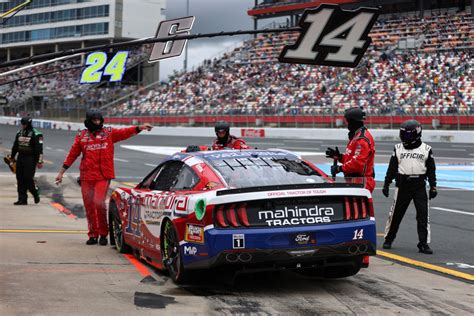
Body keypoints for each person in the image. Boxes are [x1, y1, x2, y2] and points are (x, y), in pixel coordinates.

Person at [55, 109, 152, 246]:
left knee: (98, 202)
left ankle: (103, 233)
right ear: (89, 121)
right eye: (94, 120)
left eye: (99, 120)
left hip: (103, 175)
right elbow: (73, 154)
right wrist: (61, 172)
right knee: (89, 206)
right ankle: (92, 234)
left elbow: (124, 133)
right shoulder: (82, 136)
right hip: (86, 176)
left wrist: (138, 128)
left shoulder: (109, 133)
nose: (97, 122)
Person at [382, 120, 437, 254]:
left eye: (407, 135)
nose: (404, 138)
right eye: (403, 134)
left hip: (419, 185)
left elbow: (431, 169)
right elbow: (392, 168)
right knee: (395, 214)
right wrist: (386, 183)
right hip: (403, 185)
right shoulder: (398, 148)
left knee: (423, 216)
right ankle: (388, 239)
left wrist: (433, 186)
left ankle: (423, 244)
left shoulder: (426, 149)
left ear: (417, 134)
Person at [325, 107, 375, 192]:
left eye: (347, 121)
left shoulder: (361, 139)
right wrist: (340, 157)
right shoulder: (356, 136)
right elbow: (352, 158)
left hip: (362, 182)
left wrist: (339, 169)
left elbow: (357, 163)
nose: (347, 124)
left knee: (356, 206)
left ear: (353, 121)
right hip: (355, 181)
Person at [11, 116, 43, 205]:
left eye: (24, 124)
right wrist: (12, 157)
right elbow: (15, 146)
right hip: (20, 157)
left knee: (28, 178)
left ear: (28, 124)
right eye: (22, 124)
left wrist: (39, 161)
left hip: (30, 159)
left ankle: (35, 192)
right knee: (19, 178)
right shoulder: (19, 133)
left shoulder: (37, 134)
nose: (23, 126)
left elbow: (39, 150)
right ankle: (22, 199)